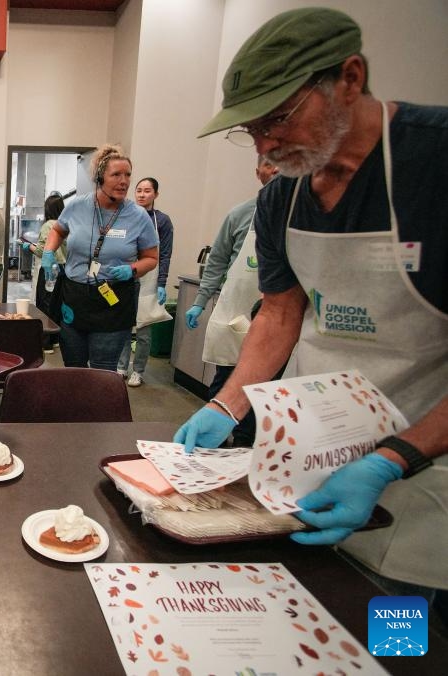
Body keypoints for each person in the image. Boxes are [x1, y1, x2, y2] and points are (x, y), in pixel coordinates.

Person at [175, 7, 448, 607]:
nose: (265, 143)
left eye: (279, 118)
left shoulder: (435, 164)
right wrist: (229, 400)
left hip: (430, 467)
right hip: (317, 452)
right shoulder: (282, 199)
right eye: (250, 128)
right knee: (318, 616)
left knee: (399, 634)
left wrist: (391, 459)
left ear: (349, 79)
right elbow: (279, 312)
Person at [183, 155, 278, 446]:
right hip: (237, 313)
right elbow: (218, 262)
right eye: (268, 163)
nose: (275, 169)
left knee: (267, 392)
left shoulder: (300, 217)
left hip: (277, 320)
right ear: (257, 171)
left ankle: (250, 445)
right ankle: (220, 440)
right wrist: (200, 300)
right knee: (227, 379)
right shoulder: (239, 215)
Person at [40, 144, 159, 372]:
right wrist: (48, 252)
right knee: (73, 366)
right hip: (75, 297)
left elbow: (151, 258)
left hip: (113, 300)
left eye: (127, 175)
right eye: (116, 175)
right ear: (99, 178)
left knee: (102, 371)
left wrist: (132, 269)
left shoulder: (138, 216)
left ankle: (96, 408)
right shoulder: (77, 206)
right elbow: (58, 230)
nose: (124, 181)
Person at [117, 177, 174, 387]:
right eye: (139, 190)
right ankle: (121, 366)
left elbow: (165, 254)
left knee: (144, 329)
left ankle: (138, 370)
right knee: (123, 324)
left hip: (150, 278)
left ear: (155, 195)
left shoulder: (163, 221)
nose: (142, 194)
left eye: (147, 191)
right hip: (127, 275)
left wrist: (161, 283)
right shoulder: (125, 216)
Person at [22, 192, 65, 352]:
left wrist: (29, 246)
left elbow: (43, 250)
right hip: (63, 270)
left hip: (50, 270)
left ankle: (45, 343)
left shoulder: (49, 225)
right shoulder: (66, 224)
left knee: (44, 305)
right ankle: (54, 339)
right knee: (56, 306)